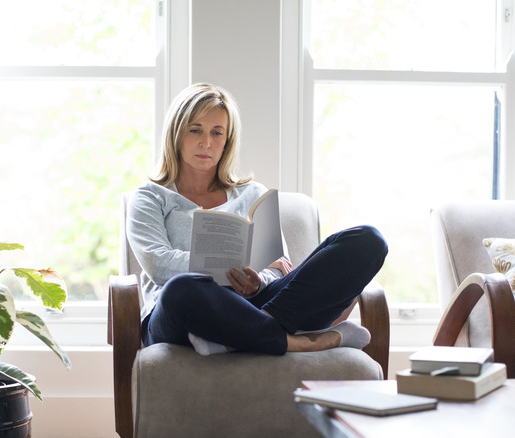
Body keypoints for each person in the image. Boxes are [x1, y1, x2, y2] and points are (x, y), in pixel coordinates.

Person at [126, 83, 388, 356]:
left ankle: (250, 332)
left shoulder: (253, 193)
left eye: (217, 133)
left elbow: (278, 265)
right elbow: (157, 265)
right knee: (181, 288)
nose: (206, 143)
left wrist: (257, 282)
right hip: (188, 311)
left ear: (227, 140)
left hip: (257, 303)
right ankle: (296, 341)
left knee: (368, 240)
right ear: (176, 134)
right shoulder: (150, 197)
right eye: (195, 130)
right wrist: (216, 266)